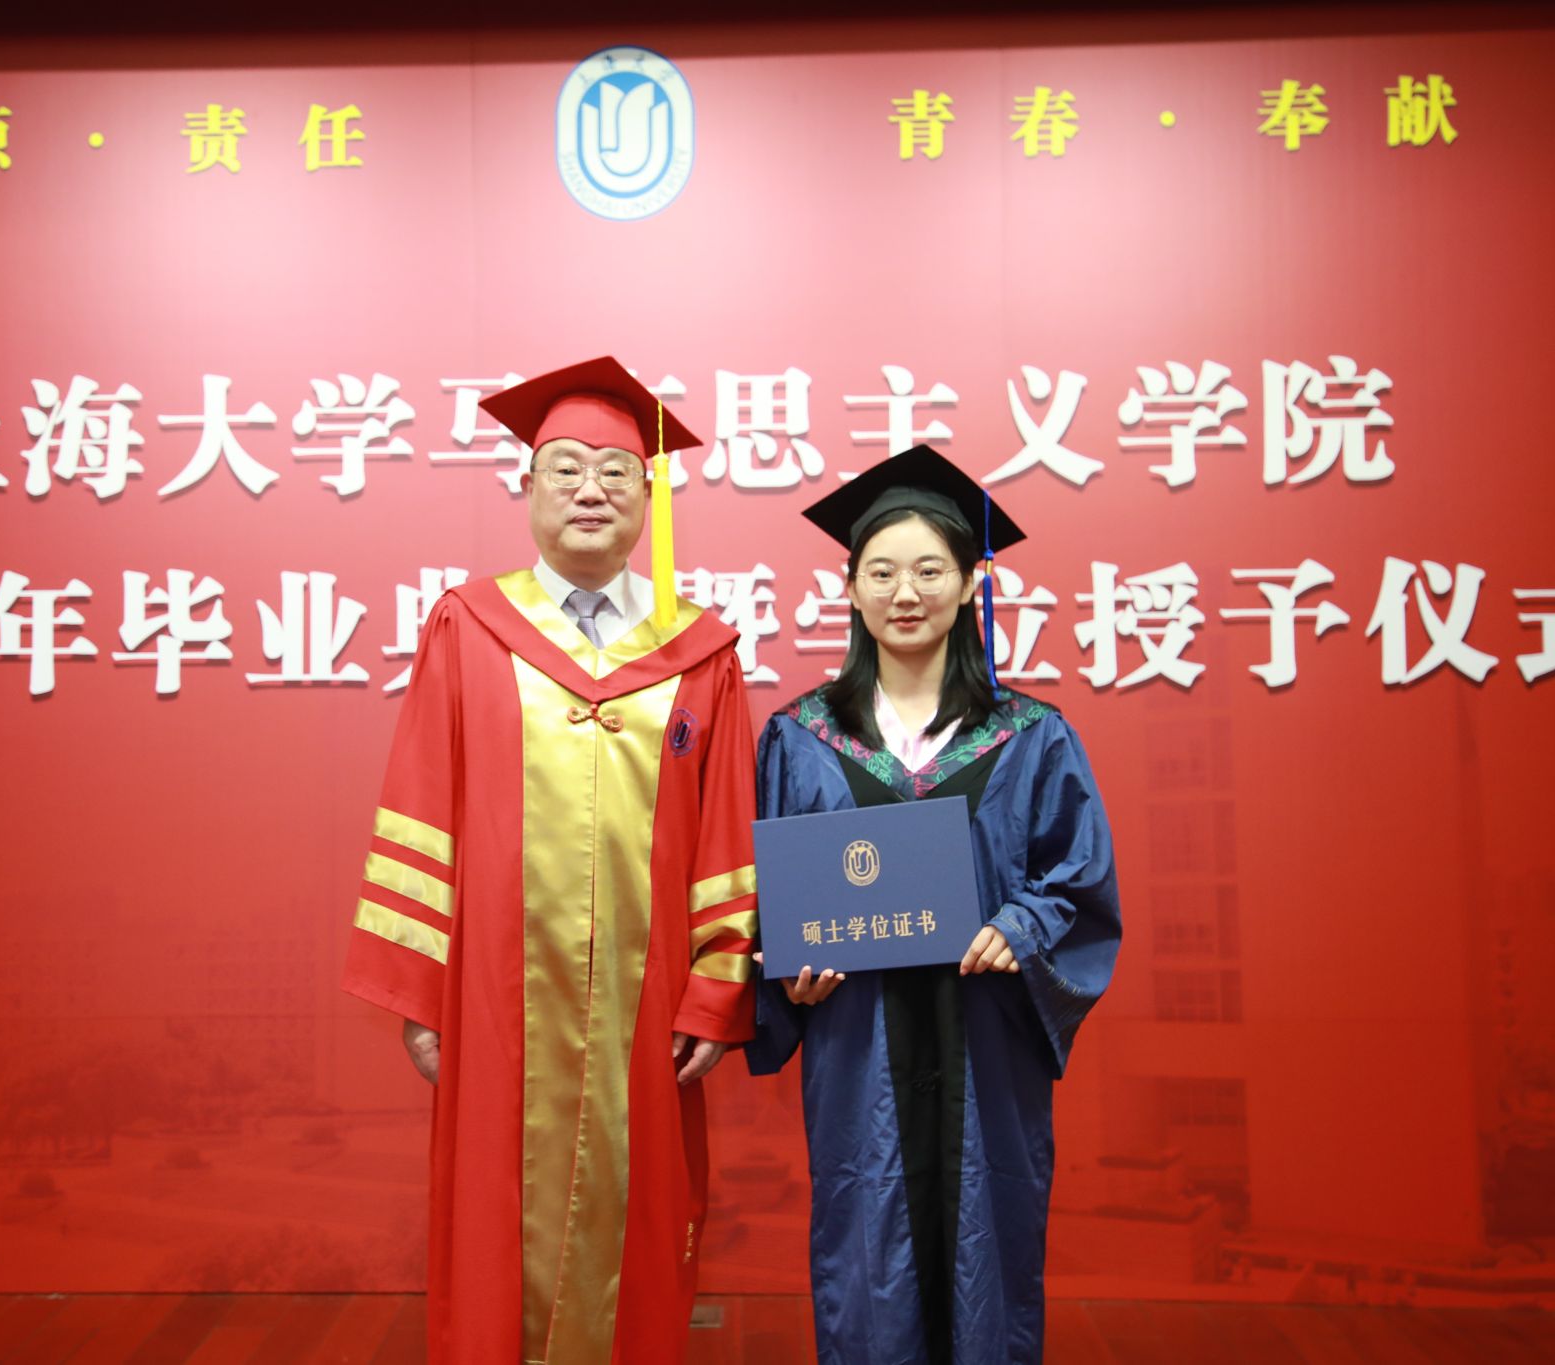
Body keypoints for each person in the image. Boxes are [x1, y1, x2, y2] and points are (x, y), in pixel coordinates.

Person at [341, 356, 760, 1365]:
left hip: (643, 1004)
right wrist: (423, 994)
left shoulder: (699, 652)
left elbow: (727, 834)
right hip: (497, 1000)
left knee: (640, 1218)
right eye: (564, 468)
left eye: (615, 472)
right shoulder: (469, 627)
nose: (589, 490)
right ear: (526, 487)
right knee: (496, 1214)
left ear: (647, 499)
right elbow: (420, 806)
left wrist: (715, 990)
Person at [746, 445, 1120, 1365]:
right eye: (881, 572)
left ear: (970, 582)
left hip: (984, 1044)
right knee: (866, 1253)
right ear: (850, 588)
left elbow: (1078, 882)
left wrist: (1020, 926)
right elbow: (765, 896)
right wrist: (786, 973)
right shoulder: (800, 737)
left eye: (928, 570)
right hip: (856, 1046)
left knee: (989, 1253)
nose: (904, 592)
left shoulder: (1031, 736)